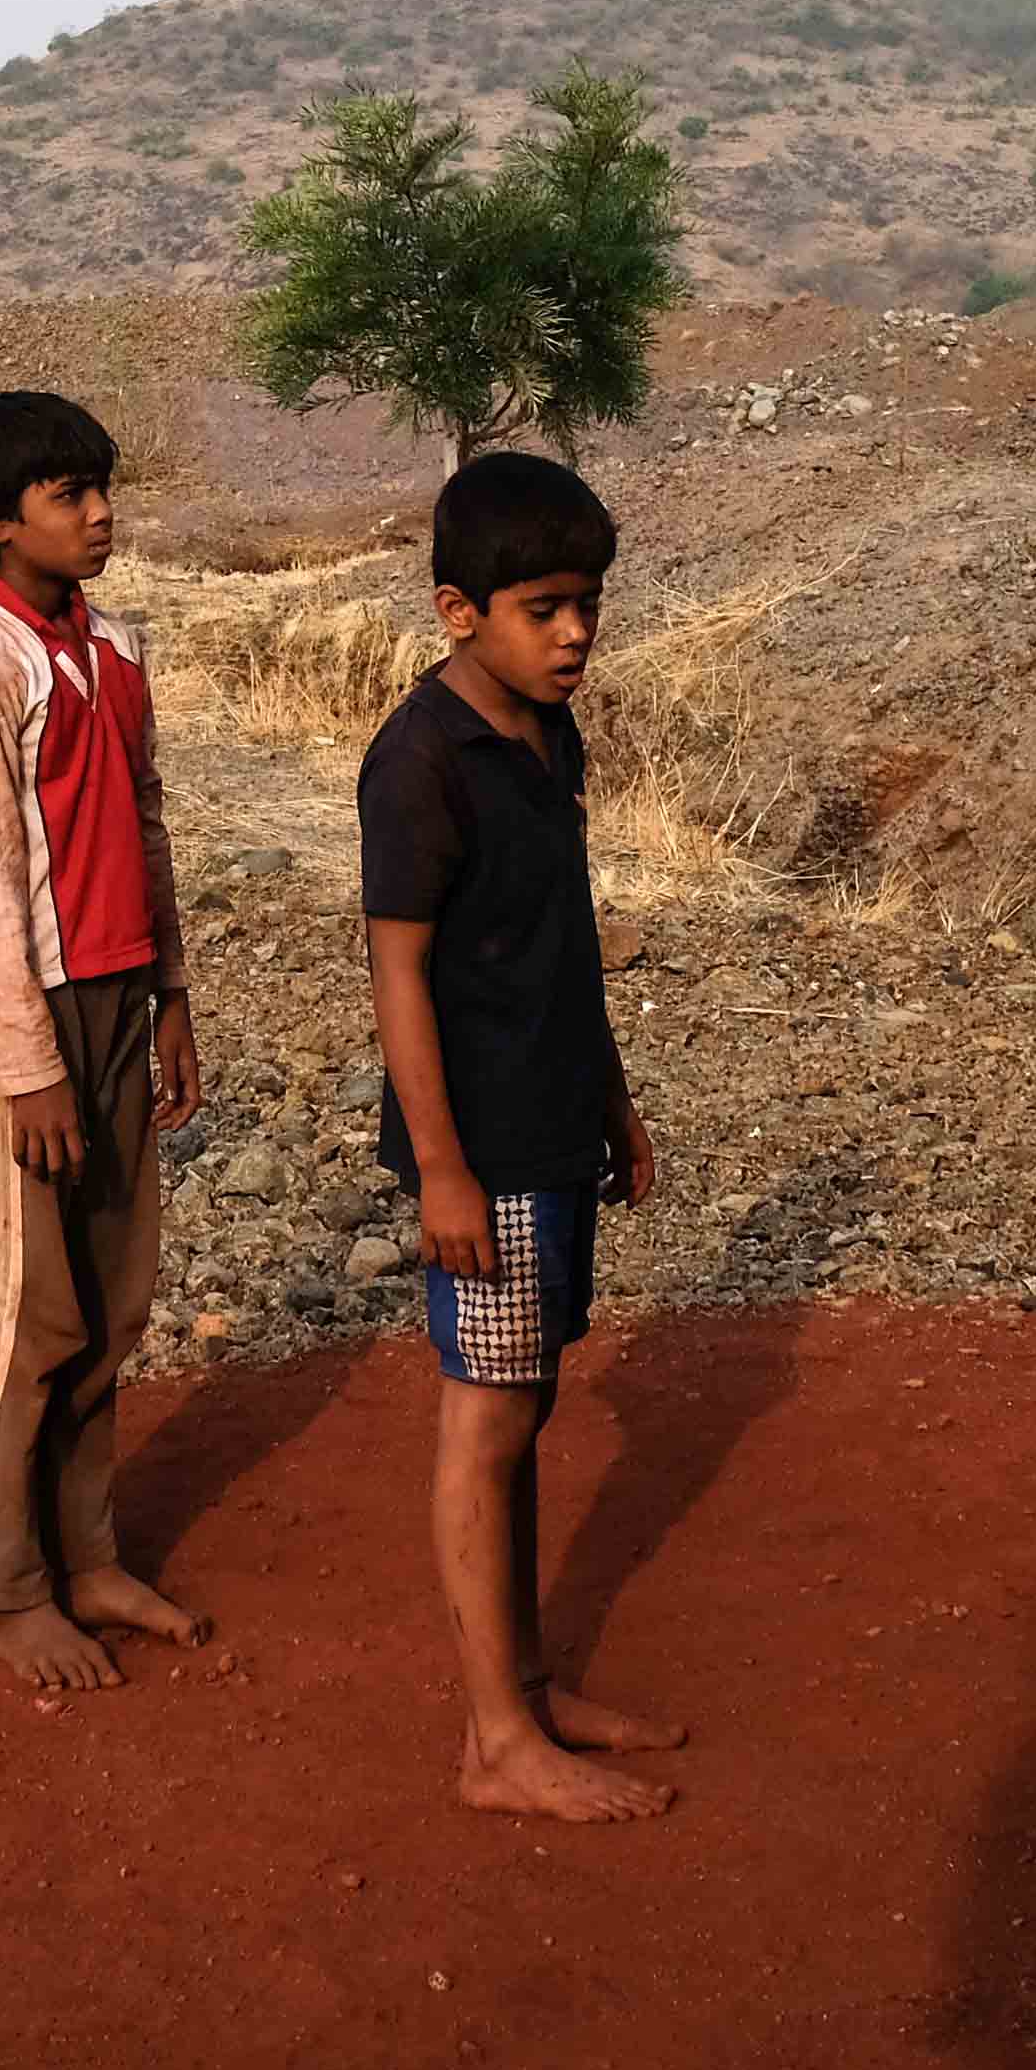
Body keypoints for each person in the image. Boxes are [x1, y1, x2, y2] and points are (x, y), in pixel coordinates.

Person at [360, 451, 685, 1824]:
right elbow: (398, 976)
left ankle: (533, 1686)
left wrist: (607, 1095)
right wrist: (443, 1167)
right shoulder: (421, 760)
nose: (576, 633)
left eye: (589, 604)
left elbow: (560, 943)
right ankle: (495, 1738)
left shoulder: (551, 741)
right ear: (456, 610)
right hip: (482, 1155)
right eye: (544, 607)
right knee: (488, 1423)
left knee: (532, 1403)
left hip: (553, 1128)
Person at [0, 388, 211, 1690]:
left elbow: (144, 829)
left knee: (115, 1293)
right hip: (22, 1016)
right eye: (67, 496)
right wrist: (24, 1068)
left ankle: (86, 1550)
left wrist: (174, 993)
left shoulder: (116, 650)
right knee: (28, 1306)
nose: (98, 516)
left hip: (119, 997)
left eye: (101, 490)